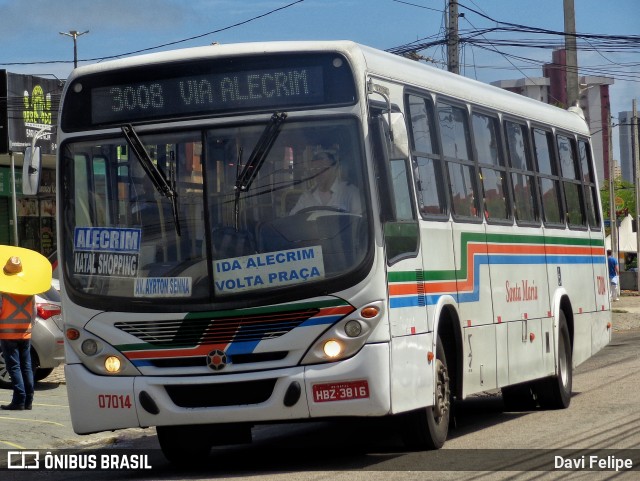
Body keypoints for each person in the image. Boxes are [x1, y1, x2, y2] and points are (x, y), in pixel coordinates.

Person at [0, 257, 36, 410]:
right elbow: (33, 313)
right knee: (26, 367)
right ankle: (28, 401)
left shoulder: (3, 291)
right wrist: (28, 326)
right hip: (25, 333)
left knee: (14, 367)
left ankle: (19, 400)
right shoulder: (29, 290)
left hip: (8, 334)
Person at [290, 150, 361, 215]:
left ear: (334, 168)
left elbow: (360, 222)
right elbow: (292, 219)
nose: (319, 172)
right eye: (315, 169)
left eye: (323, 168)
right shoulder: (306, 197)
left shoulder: (350, 192)